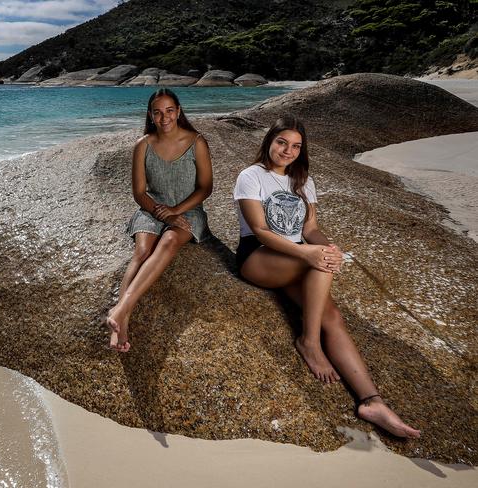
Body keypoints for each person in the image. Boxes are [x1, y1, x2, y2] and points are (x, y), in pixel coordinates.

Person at [233, 115, 420, 438]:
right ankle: (308, 342)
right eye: (281, 142)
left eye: (295, 146)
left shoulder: (304, 180)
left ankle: (371, 401)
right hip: (259, 257)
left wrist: (328, 247)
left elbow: (310, 230)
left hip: (296, 258)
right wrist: (309, 253)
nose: (287, 151)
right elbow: (261, 232)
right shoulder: (252, 176)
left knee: (332, 317)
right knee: (317, 262)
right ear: (269, 141)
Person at [106, 88, 213, 352]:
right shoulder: (142, 145)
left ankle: (119, 309)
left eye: (169, 111)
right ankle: (123, 319)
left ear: (178, 111)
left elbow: (205, 188)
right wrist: (159, 211)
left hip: (187, 210)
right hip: (151, 209)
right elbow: (139, 193)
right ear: (151, 115)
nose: (164, 117)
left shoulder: (196, 141)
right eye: (157, 112)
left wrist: (176, 211)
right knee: (142, 251)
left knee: (169, 241)